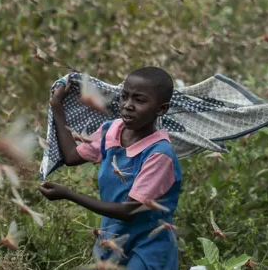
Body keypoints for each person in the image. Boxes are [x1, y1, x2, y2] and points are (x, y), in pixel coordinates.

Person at [39, 66, 182, 270]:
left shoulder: (159, 154)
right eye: (125, 96)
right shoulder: (112, 130)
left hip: (148, 245)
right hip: (112, 237)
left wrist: (69, 194)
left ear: (161, 109)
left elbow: (128, 211)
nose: (128, 105)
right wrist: (57, 107)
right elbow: (71, 156)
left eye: (139, 100)